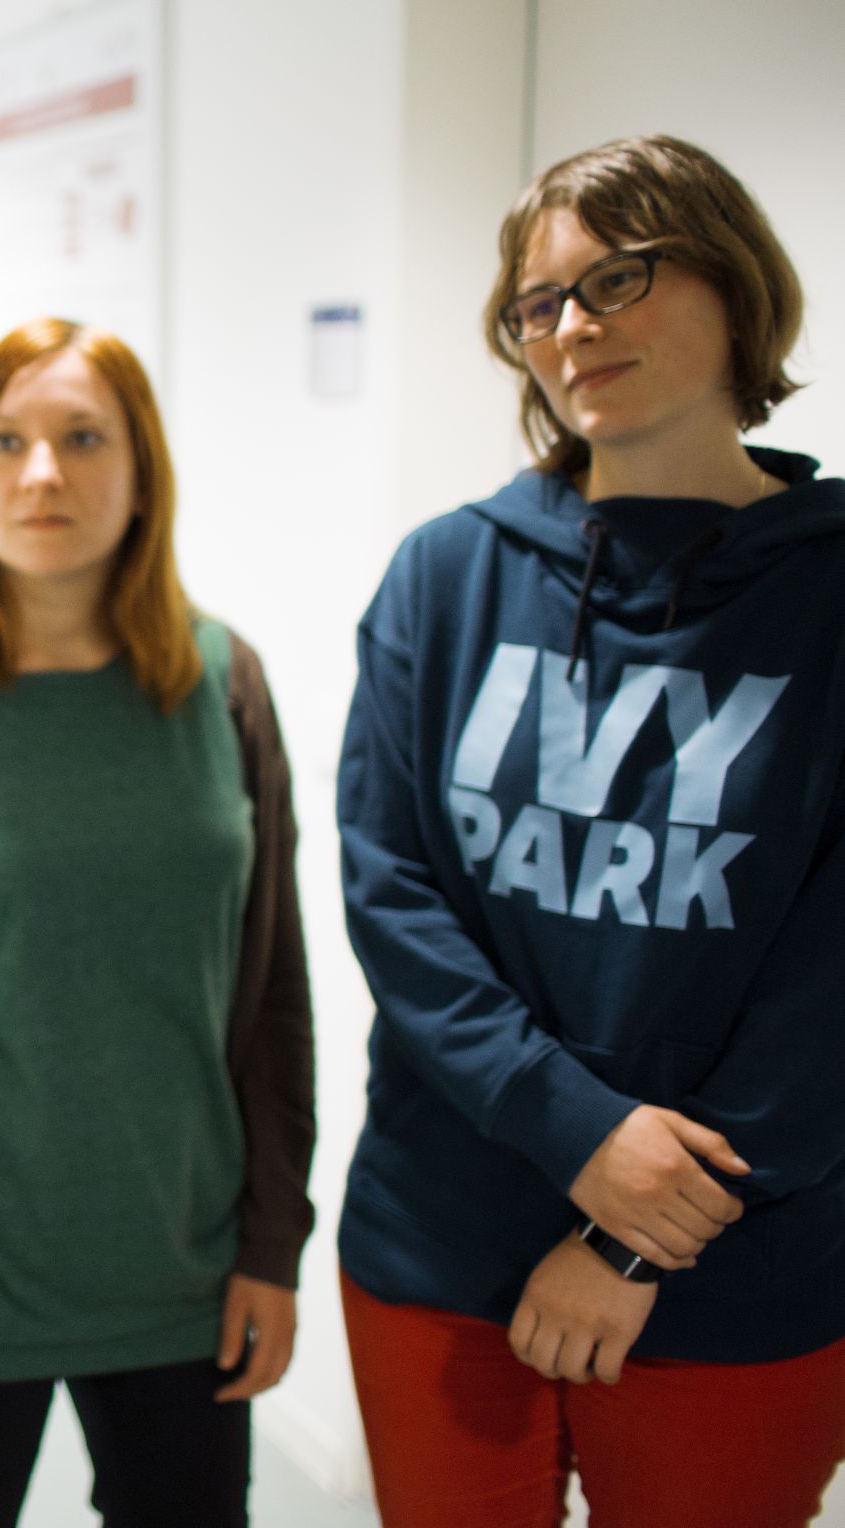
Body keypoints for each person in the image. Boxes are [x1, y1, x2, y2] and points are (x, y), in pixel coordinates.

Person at [336, 134, 845, 1527]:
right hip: (442, 1241)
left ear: (735, 283)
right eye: (537, 303)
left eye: (616, 278)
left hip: (737, 1262)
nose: (572, 327)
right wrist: (578, 1139)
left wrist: (630, 1237)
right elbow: (395, 899)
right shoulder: (447, 577)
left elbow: (830, 979)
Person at [0, 318, 316, 1528]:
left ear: (141, 474)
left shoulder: (223, 682)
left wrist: (273, 1243)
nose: (42, 473)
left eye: (84, 439)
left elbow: (272, 990)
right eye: (6, 442)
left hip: (186, 1286)